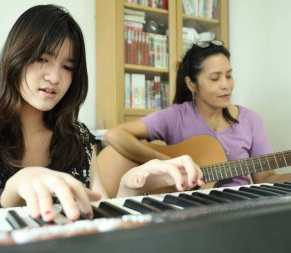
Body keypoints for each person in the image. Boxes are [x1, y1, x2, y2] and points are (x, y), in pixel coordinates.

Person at [0, 5, 203, 221]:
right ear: (15, 58)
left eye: (67, 67)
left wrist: (131, 184)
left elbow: (99, 222)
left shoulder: (77, 138)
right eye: (42, 59)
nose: (55, 77)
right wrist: (11, 193)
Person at [104, 40, 291, 188]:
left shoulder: (251, 120)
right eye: (215, 78)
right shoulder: (175, 116)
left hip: (240, 206)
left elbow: (265, 178)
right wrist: (169, 164)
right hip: (190, 207)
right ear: (191, 84)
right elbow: (114, 135)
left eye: (229, 75)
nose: (226, 84)